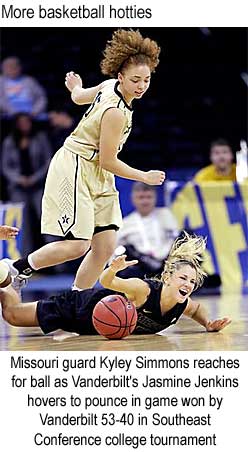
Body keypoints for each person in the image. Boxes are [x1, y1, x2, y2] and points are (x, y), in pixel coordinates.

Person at [3, 29, 165, 289]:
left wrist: (75, 87)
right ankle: (15, 269)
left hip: (97, 171)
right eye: (135, 80)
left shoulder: (109, 85)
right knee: (78, 245)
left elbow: (78, 98)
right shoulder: (116, 113)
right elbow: (108, 161)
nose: (141, 86)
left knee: (105, 246)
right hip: (77, 164)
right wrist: (144, 176)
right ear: (120, 77)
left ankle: (76, 300)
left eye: (146, 80)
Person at [0, 233, 231, 335]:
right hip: (80, 309)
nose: (188, 285)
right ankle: (6, 277)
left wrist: (208, 323)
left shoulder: (182, 303)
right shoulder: (144, 290)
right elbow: (106, 281)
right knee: (11, 315)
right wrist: (113, 269)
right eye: (183, 278)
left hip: (90, 328)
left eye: (192, 281)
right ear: (168, 277)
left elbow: (197, 308)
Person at [1, 113, 53, 254]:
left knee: (47, 221)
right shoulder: (9, 142)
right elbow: (5, 166)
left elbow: (48, 161)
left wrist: (34, 178)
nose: (24, 125)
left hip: (39, 186)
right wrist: (19, 179)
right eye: (21, 122)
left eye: (26, 122)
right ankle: (22, 260)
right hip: (18, 188)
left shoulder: (40, 138)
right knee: (20, 225)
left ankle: (56, 261)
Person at [116, 182, 178, 279]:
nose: (145, 201)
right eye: (141, 197)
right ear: (133, 199)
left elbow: (174, 237)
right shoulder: (125, 223)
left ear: (155, 198)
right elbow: (117, 249)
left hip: (166, 263)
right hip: (139, 267)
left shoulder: (166, 215)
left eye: (149, 197)